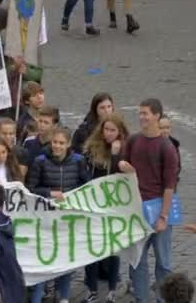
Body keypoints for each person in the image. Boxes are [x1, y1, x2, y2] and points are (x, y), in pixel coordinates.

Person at [122, 98, 180, 303]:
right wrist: (123, 165)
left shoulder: (167, 148)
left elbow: (169, 186)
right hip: (137, 209)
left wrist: (163, 216)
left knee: (163, 262)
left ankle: (162, 300)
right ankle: (141, 299)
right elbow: (124, 164)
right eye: (140, 113)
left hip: (158, 208)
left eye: (145, 113)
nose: (141, 117)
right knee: (137, 260)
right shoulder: (134, 140)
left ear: (157, 116)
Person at [26, 127, 90, 303]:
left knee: (65, 258)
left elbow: (86, 186)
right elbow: (31, 189)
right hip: (45, 219)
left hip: (68, 220)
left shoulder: (78, 161)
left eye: (62, 143)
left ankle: (64, 297)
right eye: (55, 142)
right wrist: (50, 193)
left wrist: (73, 196)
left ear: (68, 144)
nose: (57, 146)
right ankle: (38, 296)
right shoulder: (40, 161)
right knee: (43, 258)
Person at [80, 113, 129, 303]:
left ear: (120, 132)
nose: (108, 134)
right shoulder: (92, 148)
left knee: (113, 250)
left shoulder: (125, 149)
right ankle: (91, 289)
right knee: (91, 249)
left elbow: (122, 177)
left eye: (112, 130)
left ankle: (112, 289)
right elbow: (86, 174)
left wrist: (116, 155)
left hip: (114, 207)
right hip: (94, 205)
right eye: (106, 129)